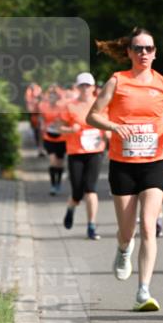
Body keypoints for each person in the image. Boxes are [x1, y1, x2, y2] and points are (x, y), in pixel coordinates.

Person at [86, 26, 163, 311]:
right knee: (127, 230)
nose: (144, 53)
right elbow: (92, 116)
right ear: (129, 52)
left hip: (156, 161)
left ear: (155, 53)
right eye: (139, 48)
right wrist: (114, 126)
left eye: (149, 48)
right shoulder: (117, 81)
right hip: (123, 164)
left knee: (148, 225)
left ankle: (143, 290)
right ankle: (123, 249)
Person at [60, 72, 106, 240]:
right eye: (82, 85)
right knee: (77, 193)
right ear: (77, 87)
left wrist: (108, 133)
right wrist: (69, 130)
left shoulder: (101, 104)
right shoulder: (70, 106)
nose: (85, 88)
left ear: (93, 87)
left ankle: (91, 226)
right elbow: (59, 127)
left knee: (90, 188)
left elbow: (107, 122)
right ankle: (71, 208)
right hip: (76, 151)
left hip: (95, 151)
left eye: (88, 85)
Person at [38, 84, 67, 194]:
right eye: (50, 97)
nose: (52, 99)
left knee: (60, 163)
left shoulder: (62, 108)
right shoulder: (43, 107)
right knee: (52, 161)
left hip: (61, 139)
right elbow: (41, 118)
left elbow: (66, 120)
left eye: (54, 97)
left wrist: (60, 123)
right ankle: (53, 185)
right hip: (49, 138)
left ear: (57, 98)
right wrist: (42, 124)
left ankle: (58, 183)